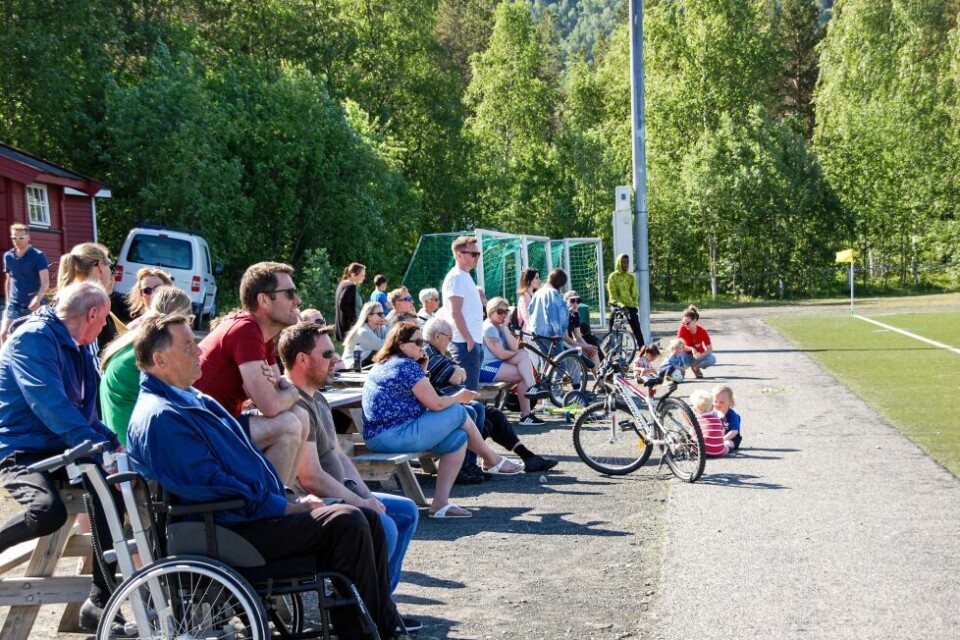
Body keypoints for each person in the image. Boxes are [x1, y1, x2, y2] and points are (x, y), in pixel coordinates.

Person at [125, 313, 407, 640]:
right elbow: (212, 486)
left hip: (238, 518)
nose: (199, 351)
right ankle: (363, 632)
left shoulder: (188, 400)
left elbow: (235, 467)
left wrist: (287, 498)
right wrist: (283, 506)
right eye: (188, 346)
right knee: (347, 522)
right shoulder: (163, 416)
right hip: (224, 529)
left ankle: (380, 628)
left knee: (365, 520)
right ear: (160, 359)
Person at [0, 282, 122, 631]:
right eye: (104, 320)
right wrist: (95, 446)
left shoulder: (81, 345)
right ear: (92, 314)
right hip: (19, 449)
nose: (105, 327)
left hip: (62, 445)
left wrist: (112, 444)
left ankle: (100, 602)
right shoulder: (33, 339)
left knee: (111, 490)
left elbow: (85, 414)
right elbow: (50, 405)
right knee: (46, 512)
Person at [278, 321, 420, 607]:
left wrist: (365, 495)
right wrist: (360, 502)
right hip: (311, 504)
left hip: (336, 493)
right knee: (385, 526)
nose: (337, 360)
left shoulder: (316, 396)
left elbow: (339, 454)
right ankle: (359, 606)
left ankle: (378, 602)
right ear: (302, 359)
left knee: (405, 511)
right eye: (328, 354)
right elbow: (310, 478)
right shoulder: (293, 403)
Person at [362, 322, 522, 519]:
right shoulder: (406, 366)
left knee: (458, 437)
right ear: (401, 344)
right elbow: (435, 404)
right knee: (459, 412)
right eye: (418, 342)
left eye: (423, 341)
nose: (423, 346)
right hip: (394, 435)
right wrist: (459, 397)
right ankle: (491, 460)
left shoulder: (386, 363)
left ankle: (440, 505)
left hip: (382, 435)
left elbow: (423, 399)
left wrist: (424, 370)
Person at [194, 262, 309, 486]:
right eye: (290, 293)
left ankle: (283, 494)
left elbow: (275, 389)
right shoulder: (245, 330)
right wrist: (293, 391)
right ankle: (270, 510)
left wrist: (281, 393)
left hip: (219, 424)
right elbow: (271, 405)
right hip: (201, 433)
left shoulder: (261, 334)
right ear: (263, 300)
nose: (298, 301)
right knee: (288, 425)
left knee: (300, 416)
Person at [423, 317, 556, 476]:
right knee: (479, 413)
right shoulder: (429, 353)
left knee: (493, 415)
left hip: (449, 406)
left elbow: (459, 374)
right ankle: (469, 465)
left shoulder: (435, 352)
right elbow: (456, 377)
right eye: (449, 338)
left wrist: (457, 370)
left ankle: (527, 457)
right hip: (442, 411)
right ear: (438, 336)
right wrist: (457, 370)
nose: (450, 342)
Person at [100, 286, 192, 446]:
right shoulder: (151, 353)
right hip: (133, 451)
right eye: (189, 319)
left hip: (119, 443)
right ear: (179, 319)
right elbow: (182, 405)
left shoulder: (133, 340)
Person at [479, 297, 548, 426]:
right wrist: (517, 354)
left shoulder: (499, 327)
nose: (503, 315)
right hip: (486, 368)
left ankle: (527, 412)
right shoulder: (489, 328)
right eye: (499, 312)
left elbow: (514, 347)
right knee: (523, 371)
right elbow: (501, 354)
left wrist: (505, 328)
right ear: (490, 311)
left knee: (522, 356)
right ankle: (527, 408)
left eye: (506, 312)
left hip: (497, 364)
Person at [57, 242, 125, 358]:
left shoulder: (67, 299)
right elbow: (93, 363)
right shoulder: (89, 305)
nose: (113, 274)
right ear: (100, 267)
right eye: (111, 266)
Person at [441, 236, 485, 390]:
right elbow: (455, 312)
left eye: (477, 254)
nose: (477, 257)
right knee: (467, 395)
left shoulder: (464, 276)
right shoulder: (456, 277)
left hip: (470, 342)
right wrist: (469, 340)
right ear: (459, 255)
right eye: (473, 254)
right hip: (463, 343)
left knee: (471, 393)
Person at [1, 223, 49, 342]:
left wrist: (37, 299)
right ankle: (6, 360)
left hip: (33, 305)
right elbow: (8, 279)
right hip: (14, 303)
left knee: (31, 338)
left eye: (20, 238)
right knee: (4, 334)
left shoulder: (38, 256)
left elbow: (45, 282)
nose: (17, 241)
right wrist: (8, 301)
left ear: (28, 238)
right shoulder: (8, 256)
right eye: (14, 238)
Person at [528, 268, 575, 355]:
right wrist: (557, 333)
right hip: (550, 335)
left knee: (545, 362)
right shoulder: (553, 293)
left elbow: (530, 309)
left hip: (536, 332)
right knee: (560, 364)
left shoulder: (539, 292)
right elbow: (553, 313)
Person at [606, 253, 648, 347]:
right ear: (619, 263)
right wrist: (621, 305)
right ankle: (611, 340)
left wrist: (633, 304)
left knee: (635, 324)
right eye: (623, 262)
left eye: (627, 262)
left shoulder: (630, 277)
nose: (626, 264)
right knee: (613, 316)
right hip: (617, 303)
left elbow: (634, 293)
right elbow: (613, 294)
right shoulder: (613, 276)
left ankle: (642, 347)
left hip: (629, 304)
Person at [342, 301, 387, 369]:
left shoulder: (380, 328)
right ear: (369, 317)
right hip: (352, 367)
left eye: (383, 313)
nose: (383, 316)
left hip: (364, 364)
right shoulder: (363, 332)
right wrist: (388, 323)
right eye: (379, 314)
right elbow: (385, 346)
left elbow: (392, 339)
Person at [677, 305, 716, 378]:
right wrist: (692, 349)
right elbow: (678, 345)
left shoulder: (702, 331)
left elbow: (710, 349)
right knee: (677, 353)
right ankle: (681, 369)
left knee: (712, 359)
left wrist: (701, 355)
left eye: (687, 323)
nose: (685, 325)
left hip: (698, 357)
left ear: (694, 320)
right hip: (686, 356)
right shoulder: (682, 328)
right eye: (683, 323)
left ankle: (696, 368)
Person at [563, 290, 599, 366]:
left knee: (593, 352)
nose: (576, 304)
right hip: (558, 343)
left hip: (568, 344)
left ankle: (599, 376)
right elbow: (565, 338)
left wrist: (588, 347)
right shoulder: (563, 314)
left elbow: (578, 337)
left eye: (578, 301)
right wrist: (585, 346)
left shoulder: (575, 314)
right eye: (572, 301)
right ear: (565, 301)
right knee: (578, 352)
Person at [690, 389, 730, 457]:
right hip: (718, 452)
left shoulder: (697, 420)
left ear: (695, 409)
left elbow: (692, 433)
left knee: (690, 441)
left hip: (702, 452)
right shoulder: (718, 419)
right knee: (728, 445)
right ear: (712, 407)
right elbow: (721, 433)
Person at [334, 262, 366, 342]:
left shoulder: (342, 284)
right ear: (353, 275)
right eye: (362, 275)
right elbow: (342, 304)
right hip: (348, 328)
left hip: (342, 327)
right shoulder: (350, 286)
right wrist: (355, 319)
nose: (364, 277)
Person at [713, 384, 742, 450]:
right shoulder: (713, 414)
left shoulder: (732, 415)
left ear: (729, 402)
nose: (718, 404)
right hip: (716, 438)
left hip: (731, 438)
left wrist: (722, 439)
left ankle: (724, 450)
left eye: (722, 402)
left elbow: (734, 431)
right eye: (715, 401)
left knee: (728, 443)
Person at [515, 268, 540, 333]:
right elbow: (527, 319)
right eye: (536, 278)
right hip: (529, 334)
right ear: (529, 280)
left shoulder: (534, 294)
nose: (539, 281)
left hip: (535, 331)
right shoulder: (525, 296)